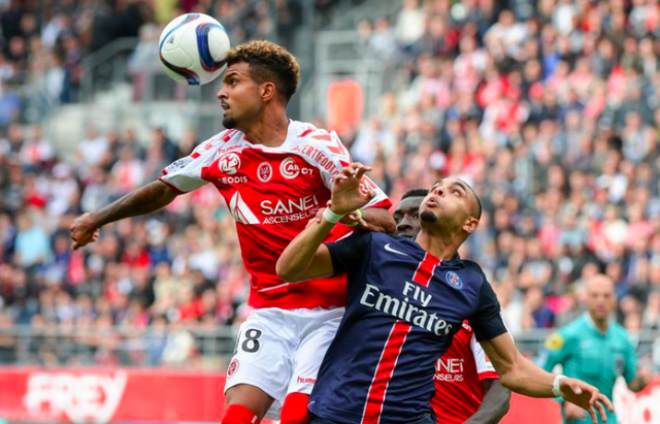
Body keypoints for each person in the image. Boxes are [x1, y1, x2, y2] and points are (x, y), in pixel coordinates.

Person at [70, 40, 394, 424]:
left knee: (295, 419)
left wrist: (341, 214)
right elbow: (163, 188)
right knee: (235, 418)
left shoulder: (316, 146)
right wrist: (97, 218)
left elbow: (384, 218)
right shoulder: (220, 151)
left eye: (232, 82)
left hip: (330, 312)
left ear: (266, 90)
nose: (221, 92)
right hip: (268, 312)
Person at [276, 165, 613, 424]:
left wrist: (559, 385)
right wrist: (333, 213)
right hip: (336, 413)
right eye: (436, 188)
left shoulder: (472, 283)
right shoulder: (375, 247)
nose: (437, 191)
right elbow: (288, 269)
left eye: (455, 191)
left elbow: (511, 369)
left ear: (470, 223)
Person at [394, 189, 510, 424]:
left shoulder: (473, 297)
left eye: (416, 216)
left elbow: (504, 383)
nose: (402, 225)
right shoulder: (381, 286)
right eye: (397, 219)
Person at [540, 274, 654, 424]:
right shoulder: (567, 335)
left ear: (614, 299)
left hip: (609, 419)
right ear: (585, 298)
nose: (601, 300)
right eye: (595, 295)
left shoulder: (623, 338)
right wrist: (564, 399)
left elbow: (632, 383)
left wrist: (641, 381)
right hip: (578, 420)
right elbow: (541, 369)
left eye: (606, 296)